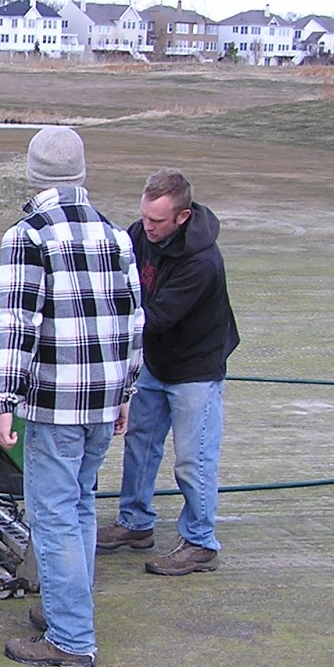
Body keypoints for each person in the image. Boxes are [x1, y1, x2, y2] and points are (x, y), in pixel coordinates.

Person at [0, 126, 143, 667]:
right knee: (78, 508)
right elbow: (133, 322)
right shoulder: (117, 236)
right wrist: (126, 393)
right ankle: (65, 609)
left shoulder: (28, 235)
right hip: (104, 401)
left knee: (53, 516)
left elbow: (17, 326)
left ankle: (72, 639)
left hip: (55, 406)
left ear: (33, 171)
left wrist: (2, 400)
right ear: (80, 172)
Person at [98, 168, 240, 575]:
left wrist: (99, 326)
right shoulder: (139, 236)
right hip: (154, 362)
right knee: (140, 443)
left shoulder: (202, 262)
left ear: (182, 216)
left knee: (192, 459)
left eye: (157, 221)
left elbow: (156, 316)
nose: (148, 227)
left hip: (196, 367)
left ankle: (200, 542)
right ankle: (135, 524)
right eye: (145, 217)